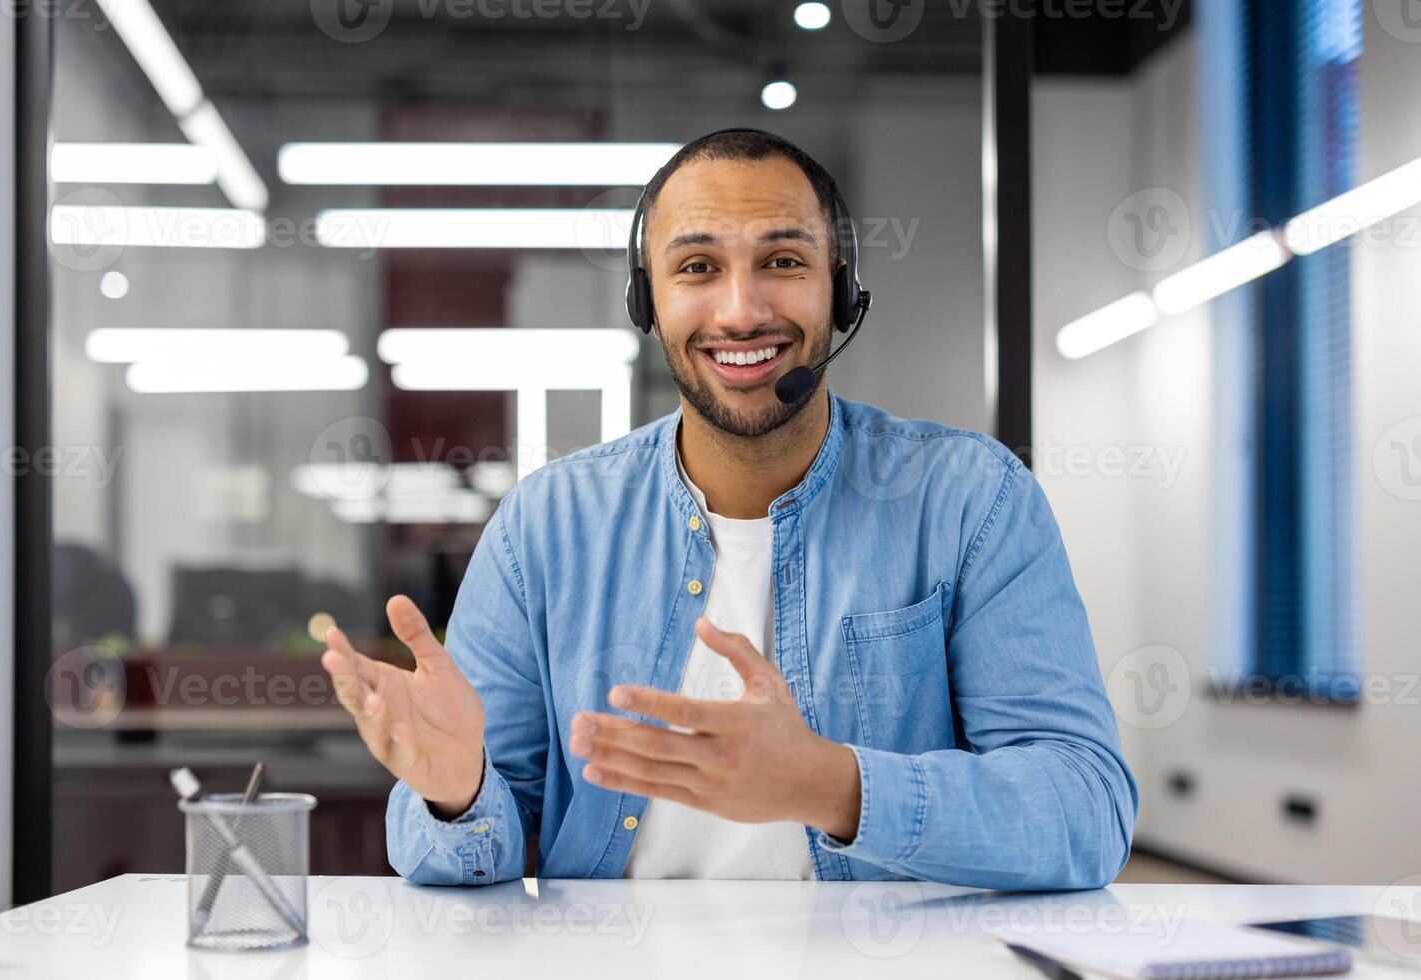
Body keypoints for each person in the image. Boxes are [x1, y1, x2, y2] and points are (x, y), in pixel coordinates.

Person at [321, 128, 1137, 886]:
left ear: (842, 291)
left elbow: (1086, 811)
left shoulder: (969, 500)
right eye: (697, 267)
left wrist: (831, 784)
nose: (742, 311)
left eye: (783, 260)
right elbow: (467, 856)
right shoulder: (547, 527)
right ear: (649, 303)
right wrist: (458, 795)